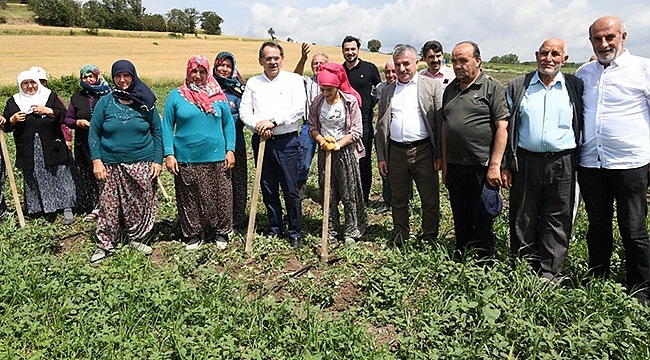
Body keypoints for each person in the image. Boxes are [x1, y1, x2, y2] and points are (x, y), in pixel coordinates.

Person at [576, 15, 650, 303]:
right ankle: (598, 274)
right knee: (597, 225)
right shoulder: (584, 73)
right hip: (592, 163)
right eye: (598, 39)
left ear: (623, 36)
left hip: (631, 163)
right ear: (591, 41)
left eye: (609, 37)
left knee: (633, 228)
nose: (604, 44)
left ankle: (641, 286)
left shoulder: (643, 69)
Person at [502, 38, 584, 281]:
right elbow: (507, 127)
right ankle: (523, 267)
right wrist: (506, 162)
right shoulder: (519, 85)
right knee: (522, 214)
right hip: (526, 161)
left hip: (563, 161)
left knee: (557, 215)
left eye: (555, 54)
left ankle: (550, 271)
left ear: (564, 59)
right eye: (544, 53)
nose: (549, 58)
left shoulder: (574, 86)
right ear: (536, 55)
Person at [88, 59, 163, 263]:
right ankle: (105, 243)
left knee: (138, 202)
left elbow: (157, 131)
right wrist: (97, 161)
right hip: (110, 163)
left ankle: (136, 237)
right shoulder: (105, 101)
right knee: (108, 205)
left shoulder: (145, 102)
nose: (122, 80)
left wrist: (158, 160)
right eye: (118, 76)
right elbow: (94, 132)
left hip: (141, 161)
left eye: (126, 76)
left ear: (133, 76)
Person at [441, 41, 509, 260]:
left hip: (481, 164)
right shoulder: (450, 89)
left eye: (463, 60)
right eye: (454, 61)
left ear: (477, 61)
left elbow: (502, 127)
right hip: (455, 164)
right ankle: (461, 252)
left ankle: (484, 258)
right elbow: (445, 126)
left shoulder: (491, 87)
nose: (458, 66)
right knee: (460, 212)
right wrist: (444, 162)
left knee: (483, 212)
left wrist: (495, 165)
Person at [164, 55, 236, 250]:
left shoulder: (218, 96)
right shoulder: (176, 96)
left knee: (221, 196)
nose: (198, 75)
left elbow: (228, 124)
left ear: (207, 72)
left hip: (217, 156)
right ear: (188, 72)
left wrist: (230, 149)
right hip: (187, 157)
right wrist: (169, 154)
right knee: (189, 196)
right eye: (194, 71)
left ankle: (220, 232)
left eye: (202, 71)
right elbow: (167, 125)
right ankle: (193, 233)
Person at [240, 41, 306, 248]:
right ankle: (275, 227)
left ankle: (295, 231)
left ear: (282, 59)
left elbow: (298, 108)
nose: (272, 62)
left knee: (290, 188)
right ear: (261, 61)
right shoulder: (253, 83)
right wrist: (258, 125)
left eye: (276, 57)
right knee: (268, 188)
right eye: (268, 58)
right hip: (262, 141)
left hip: (286, 141)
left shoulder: (294, 80)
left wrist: (274, 122)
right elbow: (244, 111)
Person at [376, 44, 443, 246]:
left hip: (423, 150)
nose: (402, 69)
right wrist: (381, 156)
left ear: (416, 62)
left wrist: (439, 154)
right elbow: (381, 125)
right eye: (398, 65)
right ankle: (400, 237)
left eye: (406, 63)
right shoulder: (388, 91)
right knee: (398, 199)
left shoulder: (431, 87)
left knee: (429, 199)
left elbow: (440, 123)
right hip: (396, 152)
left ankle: (429, 237)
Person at [3, 70, 77, 225]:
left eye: (33, 83)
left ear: (38, 83)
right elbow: (7, 127)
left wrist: (49, 111)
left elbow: (66, 116)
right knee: (34, 176)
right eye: (25, 83)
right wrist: (13, 119)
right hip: (29, 147)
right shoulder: (14, 101)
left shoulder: (49, 97)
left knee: (59, 174)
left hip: (52, 144)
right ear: (20, 85)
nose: (30, 86)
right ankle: (39, 208)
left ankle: (66, 207)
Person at [308, 62, 366, 244]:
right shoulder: (317, 103)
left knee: (349, 191)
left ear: (337, 86)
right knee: (328, 192)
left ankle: (352, 229)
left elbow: (356, 131)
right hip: (325, 151)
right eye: (322, 89)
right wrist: (322, 141)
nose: (325, 94)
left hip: (345, 151)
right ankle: (330, 229)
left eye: (329, 90)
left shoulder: (350, 102)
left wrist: (338, 145)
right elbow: (312, 127)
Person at [64, 65, 112, 221]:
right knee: (88, 173)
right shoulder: (77, 97)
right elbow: (67, 119)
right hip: (83, 142)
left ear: (97, 76)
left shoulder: (108, 94)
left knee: (106, 172)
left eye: (91, 76)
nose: (88, 79)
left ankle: (108, 205)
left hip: (105, 141)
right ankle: (94, 206)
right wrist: (78, 123)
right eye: (85, 77)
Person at [342, 35, 381, 203]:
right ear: (343, 51)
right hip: (344, 124)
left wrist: (370, 104)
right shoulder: (340, 71)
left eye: (353, 49)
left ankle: (363, 198)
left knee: (364, 160)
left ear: (358, 50)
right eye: (347, 49)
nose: (350, 52)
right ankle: (349, 196)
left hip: (364, 122)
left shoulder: (369, 68)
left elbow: (380, 90)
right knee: (346, 161)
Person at [213, 51, 248, 229]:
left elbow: (245, 115)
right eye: (221, 65)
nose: (224, 69)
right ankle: (218, 220)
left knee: (238, 182)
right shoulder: (206, 89)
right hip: (213, 146)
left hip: (236, 144)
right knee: (217, 185)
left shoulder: (239, 90)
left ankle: (238, 219)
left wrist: (224, 119)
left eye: (228, 65)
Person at [293, 43, 329, 199]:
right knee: (303, 160)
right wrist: (302, 59)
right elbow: (295, 77)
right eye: (315, 63)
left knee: (327, 162)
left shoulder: (333, 83)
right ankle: (299, 191)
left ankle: (327, 194)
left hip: (328, 127)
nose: (318, 66)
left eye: (322, 63)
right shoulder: (307, 82)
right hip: (309, 126)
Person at [373, 59, 398, 215]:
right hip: (383, 135)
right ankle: (387, 200)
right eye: (387, 72)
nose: (390, 75)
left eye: (393, 71)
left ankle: (405, 200)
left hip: (399, 136)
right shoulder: (380, 88)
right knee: (384, 167)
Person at [30, 66, 73, 151]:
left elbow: (64, 117)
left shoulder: (52, 97)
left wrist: (67, 138)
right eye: (37, 81)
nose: (40, 84)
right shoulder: (20, 100)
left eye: (43, 81)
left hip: (53, 143)